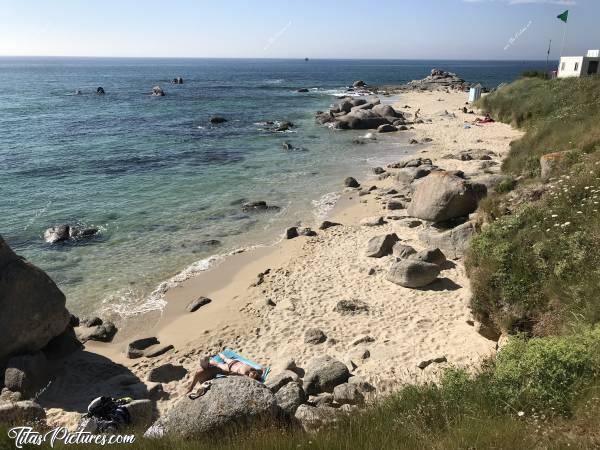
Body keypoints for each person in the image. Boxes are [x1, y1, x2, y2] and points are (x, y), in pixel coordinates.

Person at [186, 354, 263, 395]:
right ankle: (214, 356)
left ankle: (216, 355)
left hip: (232, 363)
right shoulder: (250, 371)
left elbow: (233, 374)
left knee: (220, 361)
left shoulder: (249, 370)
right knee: (219, 363)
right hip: (231, 365)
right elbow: (234, 373)